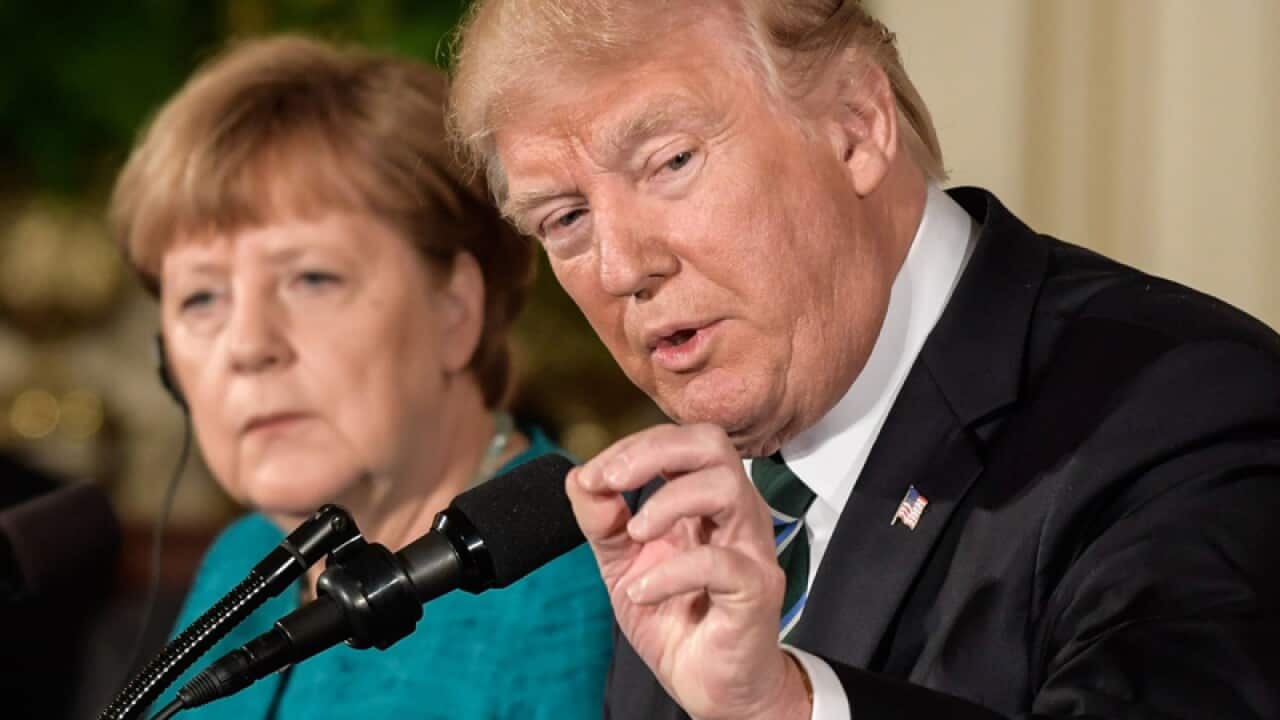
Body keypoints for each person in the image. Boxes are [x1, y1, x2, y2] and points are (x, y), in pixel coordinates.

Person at [448, 2, 1280, 718]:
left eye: (671, 163)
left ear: (855, 127)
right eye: (565, 219)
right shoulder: (675, 514)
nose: (623, 268)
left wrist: (787, 708)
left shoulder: (1187, 407)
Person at [108, 35, 612, 719]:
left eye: (312, 278)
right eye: (201, 298)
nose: (249, 345)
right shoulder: (247, 560)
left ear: (456, 309)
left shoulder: (588, 578)